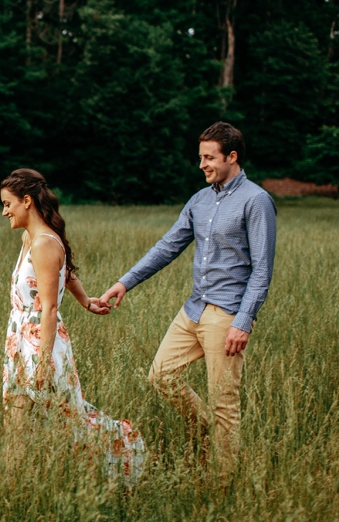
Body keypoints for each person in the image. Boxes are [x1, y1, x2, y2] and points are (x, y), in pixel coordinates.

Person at [98, 122, 277, 480]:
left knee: (224, 402)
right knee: (160, 376)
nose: (202, 165)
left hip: (226, 315)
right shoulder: (200, 200)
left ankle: (221, 484)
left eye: (209, 158)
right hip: (193, 309)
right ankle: (210, 429)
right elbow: (168, 247)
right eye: (200, 157)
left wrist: (243, 320)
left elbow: (262, 269)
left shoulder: (256, 201)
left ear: (232, 156)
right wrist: (125, 283)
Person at [0, 168, 146, 486]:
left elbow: (49, 307)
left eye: (8, 203)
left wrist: (41, 362)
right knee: (20, 421)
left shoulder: (44, 244)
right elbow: (64, 274)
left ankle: (124, 445)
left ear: (27, 201)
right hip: (20, 341)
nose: (4, 211)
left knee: (70, 421)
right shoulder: (31, 238)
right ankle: (17, 487)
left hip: (42, 345)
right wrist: (86, 301)